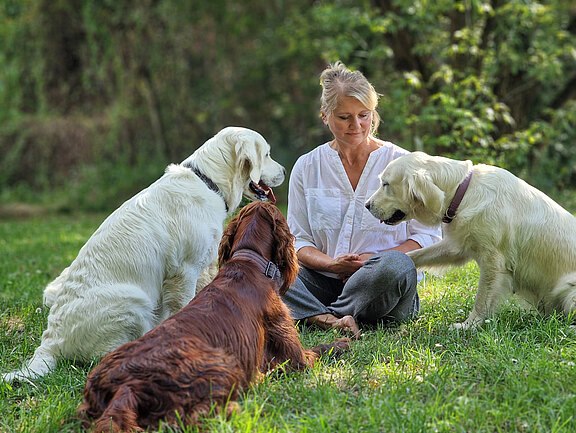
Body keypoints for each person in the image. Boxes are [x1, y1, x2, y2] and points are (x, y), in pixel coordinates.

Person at [282, 61, 442, 336]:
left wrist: (373, 261)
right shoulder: (307, 166)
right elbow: (298, 242)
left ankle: (316, 313)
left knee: (396, 266)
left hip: (382, 285)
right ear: (325, 116)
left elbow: (428, 237)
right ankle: (335, 320)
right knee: (266, 267)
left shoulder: (403, 163)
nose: (356, 125)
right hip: (322, 282)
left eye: (364, 115)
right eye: (344, 117)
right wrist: (332, 264)